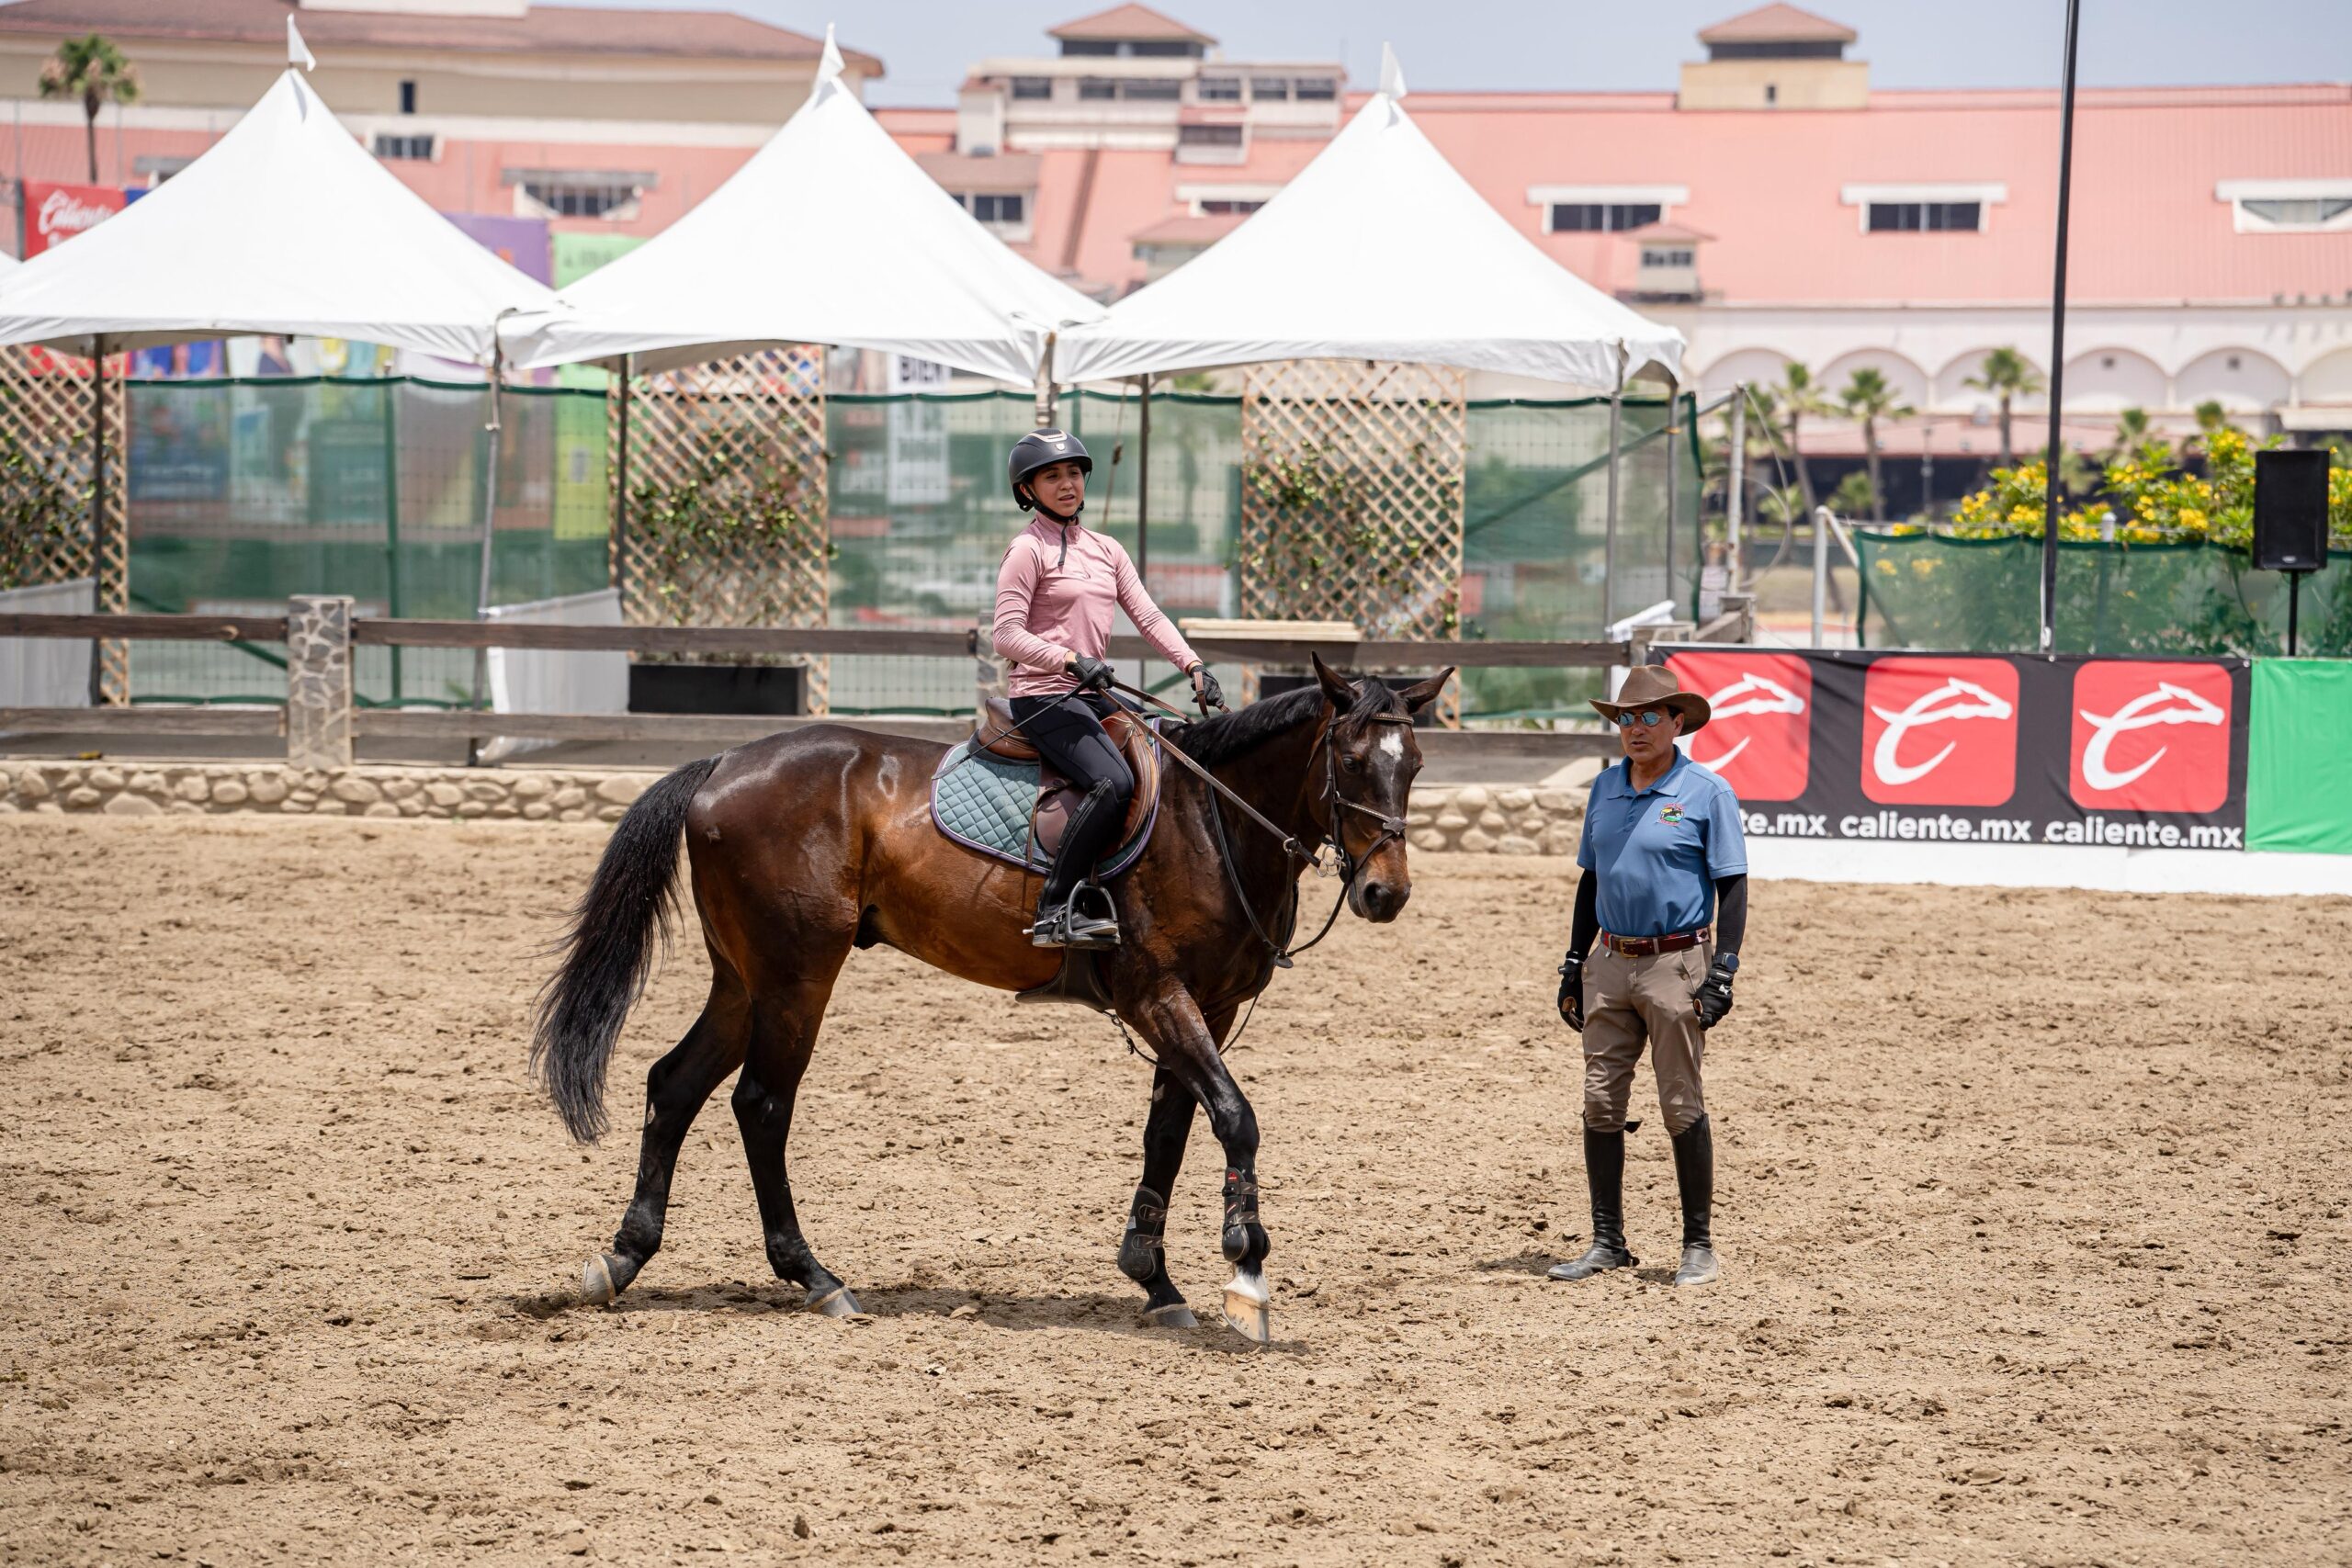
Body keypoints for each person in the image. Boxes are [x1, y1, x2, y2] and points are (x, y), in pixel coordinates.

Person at [1548, 664, 1747, 1288]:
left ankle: (1698, 1245)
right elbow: (1590, 878)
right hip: (1610, 959)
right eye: (1625, 718)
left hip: (1675, 961)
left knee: (1679, 1099)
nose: (1635, 728)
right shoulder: (1605, 789)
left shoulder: (1706, 791)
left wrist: (1724, 971)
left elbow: (1733, 884)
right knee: (1601, 1099)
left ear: (1677, 721)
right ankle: (1607, 1239)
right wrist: (1575, 962)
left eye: (1649, 716)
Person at [992, 428, 1222, 948]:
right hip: (1043, 696)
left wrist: (1193, 666)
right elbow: (1005, 634)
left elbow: (1146, 613)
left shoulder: (1106, 549)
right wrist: (1071, 659)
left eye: (1073, 472)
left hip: (1091, 695)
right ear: (1027, 490)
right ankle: (1054, 907)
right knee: (1113, 784)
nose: (1067, 483)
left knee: (1170, 769)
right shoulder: (1026, 550)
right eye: (1052, 476)